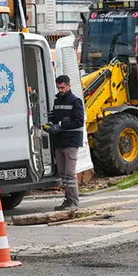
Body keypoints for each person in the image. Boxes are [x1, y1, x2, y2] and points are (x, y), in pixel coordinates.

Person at [43, 75, 85, 211]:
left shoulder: (76, 101)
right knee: (62, 173)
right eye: (58, 87)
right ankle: (67, 200)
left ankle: (73, 201)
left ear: (69, 86)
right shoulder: (57, 101)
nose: (60, 90)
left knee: (70, 173)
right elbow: (55, 118)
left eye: (62, 87)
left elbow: (79, 121)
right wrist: (50, 124)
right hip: (60, 141)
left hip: (71, 141)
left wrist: (60, 125)